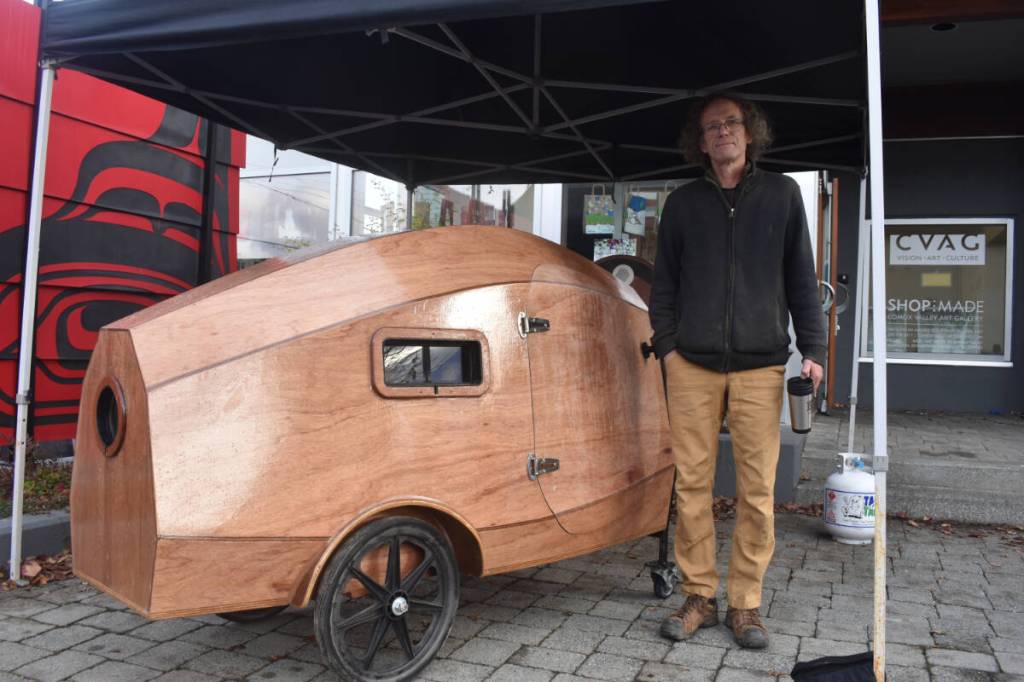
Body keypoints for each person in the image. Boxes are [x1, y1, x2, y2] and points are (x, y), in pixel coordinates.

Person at [650, 94, 825, 649]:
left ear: (750, 135)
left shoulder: (783, 195)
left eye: (732, 123)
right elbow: (664, 288)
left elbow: (802, 275)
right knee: (693, 484)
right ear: (700, 143)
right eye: (712, 126)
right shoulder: (681, 204)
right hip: (691, 365)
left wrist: (813, 349)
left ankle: (745, 604)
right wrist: (669, 347)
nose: (723, 132)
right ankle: (699, 594)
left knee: (757, 490)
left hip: (761, 367)